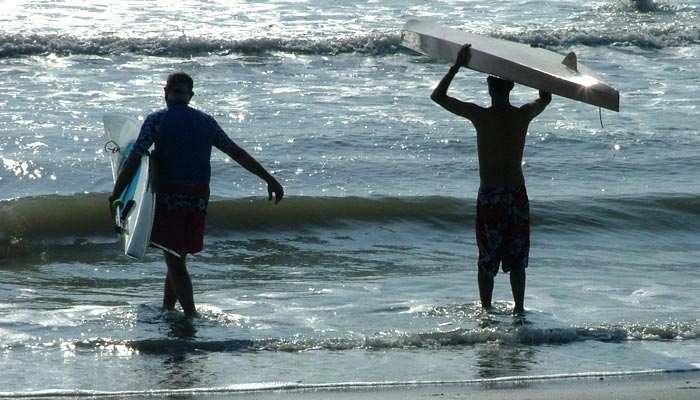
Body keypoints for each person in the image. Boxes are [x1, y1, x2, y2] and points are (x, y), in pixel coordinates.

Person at [109, 72, 284, 318]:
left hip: (170, 195)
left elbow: (136, 157)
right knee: (177, 255)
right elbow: (236, 151)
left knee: (174, 259)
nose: (176, 95)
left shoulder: (157, 120)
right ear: (185, 95)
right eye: (177, 91)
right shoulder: (206, 122)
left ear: (167, 93)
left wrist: (117, 192)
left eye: (177, 91)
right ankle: (168, 310)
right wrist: (269, 178)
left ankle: (191, 316)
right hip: (198, 197)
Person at [430, 44, 551, 315]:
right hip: (516, 194)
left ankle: (487, 312)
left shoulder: (480, 116)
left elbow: (438, 96)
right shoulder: (522, 115)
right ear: (510, 89)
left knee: (487, 259)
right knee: (517, 259)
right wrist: (540, 67)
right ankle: (519, 311)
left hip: (491, 195)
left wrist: (457, 65)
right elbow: (545, 98)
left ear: (489, 89)